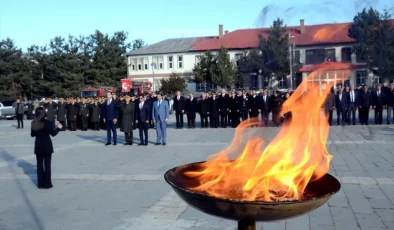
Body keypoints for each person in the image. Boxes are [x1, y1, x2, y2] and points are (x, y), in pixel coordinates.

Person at [31, 107, 62, 189]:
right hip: (47, 146)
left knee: (39, 166)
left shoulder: (34, 122)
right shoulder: (48, 123)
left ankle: (40, 184)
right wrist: (58, 128)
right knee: (47, 166)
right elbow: (53, 134)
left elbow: (32, 134)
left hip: (38, 146)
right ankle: (47, 184)